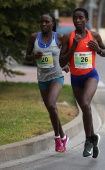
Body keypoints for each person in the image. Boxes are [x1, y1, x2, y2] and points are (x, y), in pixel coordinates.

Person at [59, 8, 105, 158]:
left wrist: (99, 49)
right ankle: (94, 137)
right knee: (86, 110)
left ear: (86, 20)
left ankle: (88, 140)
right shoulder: (68, 37)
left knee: (86, 104)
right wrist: (73, 46)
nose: (78, 20)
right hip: (76, 78)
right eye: (75, 18)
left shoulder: (94, 36)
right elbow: (61, 61)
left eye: (81, 18)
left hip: (91, 76)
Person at [25, 13, 69, 153]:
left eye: (47, 22)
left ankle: (57, 138)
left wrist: (65, 64)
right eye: (41, 21)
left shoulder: (60, 38)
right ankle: (63, 136)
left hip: (56, 77)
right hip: (42, 79)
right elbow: (26, 57)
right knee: (51, 110)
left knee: (51, 104)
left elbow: (65, 55)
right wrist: (34, 57)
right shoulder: (34, 37)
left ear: (53, 23)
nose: (44, 24)